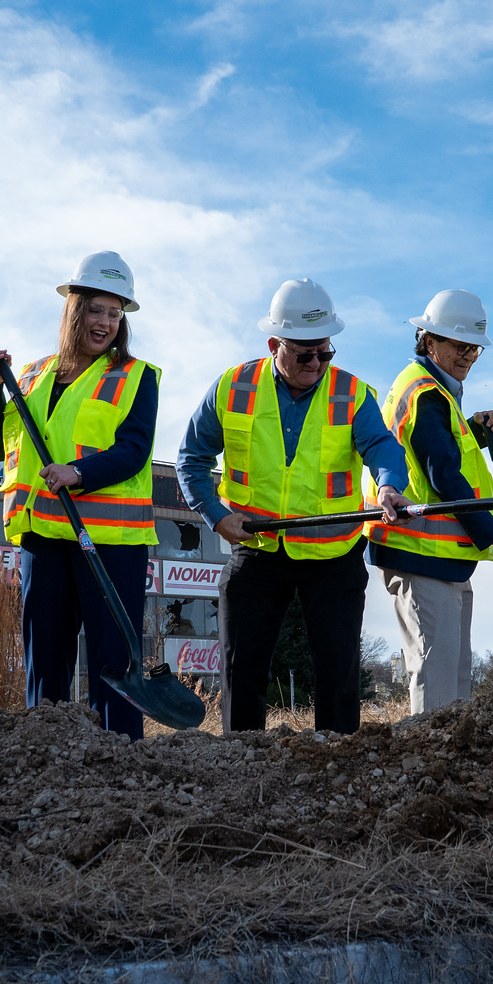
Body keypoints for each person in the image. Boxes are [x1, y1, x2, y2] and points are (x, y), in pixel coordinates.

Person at [177, 278, 409, 735]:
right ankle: (242, 761)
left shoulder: (352, 393)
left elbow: (382, 447)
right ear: (274, 345)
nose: (317, 363)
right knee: (241, 670)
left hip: (333, 555)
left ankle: (338, 763)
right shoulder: (232, 387)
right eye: (305, 353)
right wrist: (217, 516)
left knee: (339, 673)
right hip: (258, 549)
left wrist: (387, 488)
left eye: (325, 352)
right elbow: (191, 459)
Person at [0, 252, 159, 738]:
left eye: (115, 313)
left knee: (112, 660)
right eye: (97, 310)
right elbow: (1, 446)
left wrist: (77, 472)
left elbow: (135, 450)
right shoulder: (34, 375)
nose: (106, 322)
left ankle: (118, 757)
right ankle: (46, 753)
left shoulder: (137, 375)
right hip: (43, 536)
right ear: (73, 310)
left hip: (111, 539)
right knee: (45, 659)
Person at [366, 290, 493, 714]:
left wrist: (474, 428)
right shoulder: (426, 393)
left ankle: (449, 772)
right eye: (460, 346)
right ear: (429, 340)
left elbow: (436, 456)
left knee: (453, 684)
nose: (469, 356)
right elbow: (443, 476)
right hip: (420, 554)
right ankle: (427, 771)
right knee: (437, 684)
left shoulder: (437, 392)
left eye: (474, 348)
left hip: (440, 556)